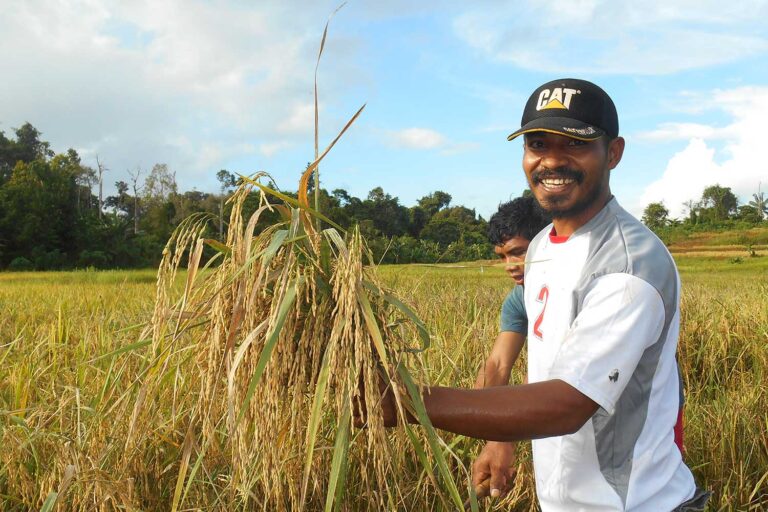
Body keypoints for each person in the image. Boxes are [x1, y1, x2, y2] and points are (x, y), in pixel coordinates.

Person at [361, 78, 709, 511]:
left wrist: (408, 401)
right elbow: (524, 365)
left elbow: (567, 403)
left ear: (614, 153)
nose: (551, 161)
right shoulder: (542, 245)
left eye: (575, 144)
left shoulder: (629, 265)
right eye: (538, 144)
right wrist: (497, 440)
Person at [472, 196, 550, 496]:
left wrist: (503, 436)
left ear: (545, 242)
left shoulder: (577, 287)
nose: (510, 266)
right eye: (502, 256)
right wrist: (486, 429)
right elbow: (497, 365)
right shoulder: (519, 299)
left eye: (518, 253)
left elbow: (546, 373)